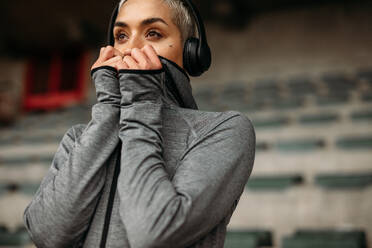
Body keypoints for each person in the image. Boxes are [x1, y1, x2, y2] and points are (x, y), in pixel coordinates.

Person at [23, 0, 256, 247]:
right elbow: (46, 236)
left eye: (153, 33)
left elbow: (152, 232)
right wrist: (108, 112)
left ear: (190, 52)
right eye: (121, 36)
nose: (130, 49)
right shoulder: (77, 138)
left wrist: (141, 102)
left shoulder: (223, 130)